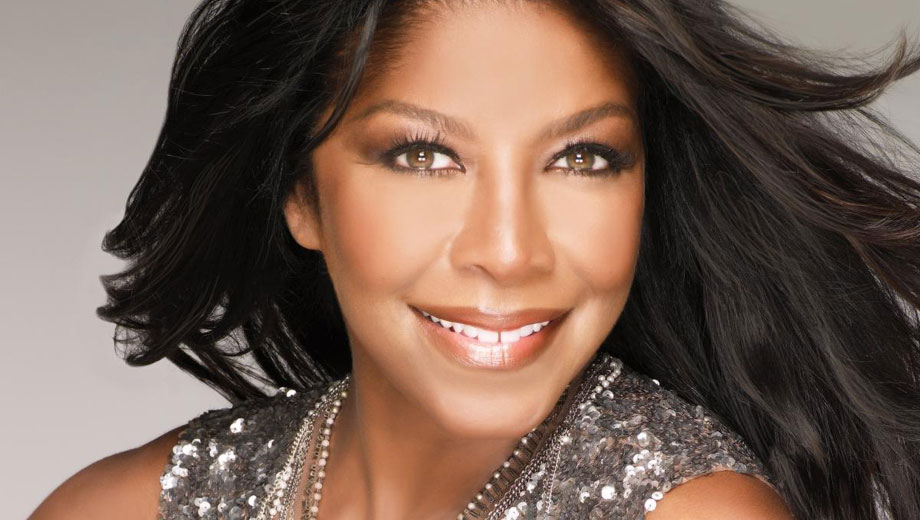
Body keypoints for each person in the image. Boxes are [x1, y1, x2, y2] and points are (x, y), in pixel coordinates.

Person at [30, 0, 920, 518]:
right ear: (299, 193)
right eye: (424, 156)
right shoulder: (129, 506)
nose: (508, 250)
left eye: (582, 158)